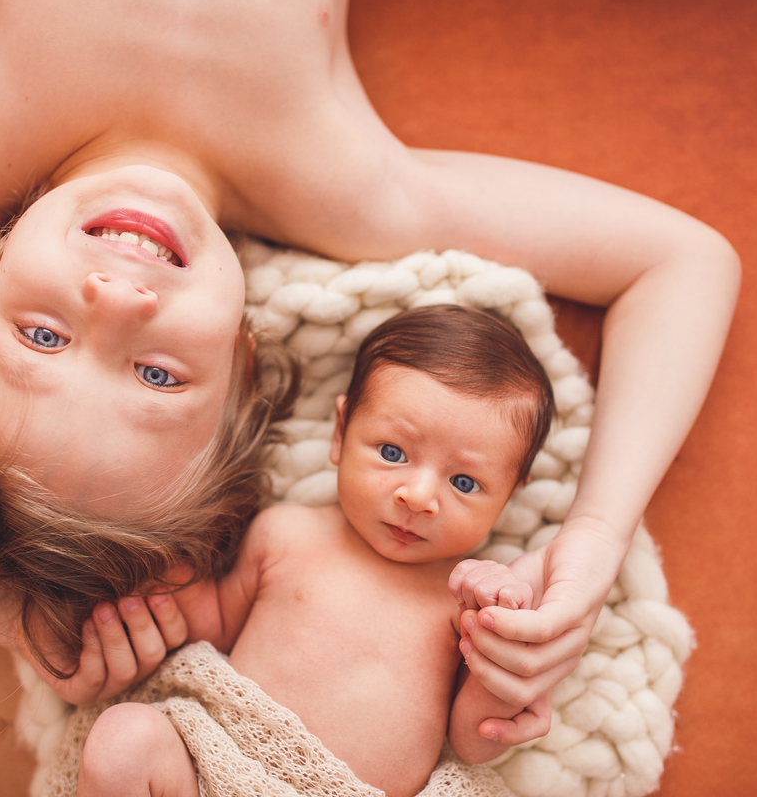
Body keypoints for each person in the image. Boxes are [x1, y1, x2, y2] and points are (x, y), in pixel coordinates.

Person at [0, 0, 740, 733]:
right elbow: (685, 263)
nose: (114, 296)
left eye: (40, 337)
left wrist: (31, 618)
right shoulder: (351, 193)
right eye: (159, 375)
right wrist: (593, 541)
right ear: (247, 357)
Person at [76, 305, 555, 797]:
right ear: (340, 432)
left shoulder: (464, 602)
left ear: (510, 494)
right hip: (219, 772)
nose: (418, 497)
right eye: (392, 453)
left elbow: (474, 742)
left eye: (464, 481)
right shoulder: (286, 534)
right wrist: (157, 561)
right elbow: (214, 626)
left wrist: (499, 647)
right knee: (123, 740)